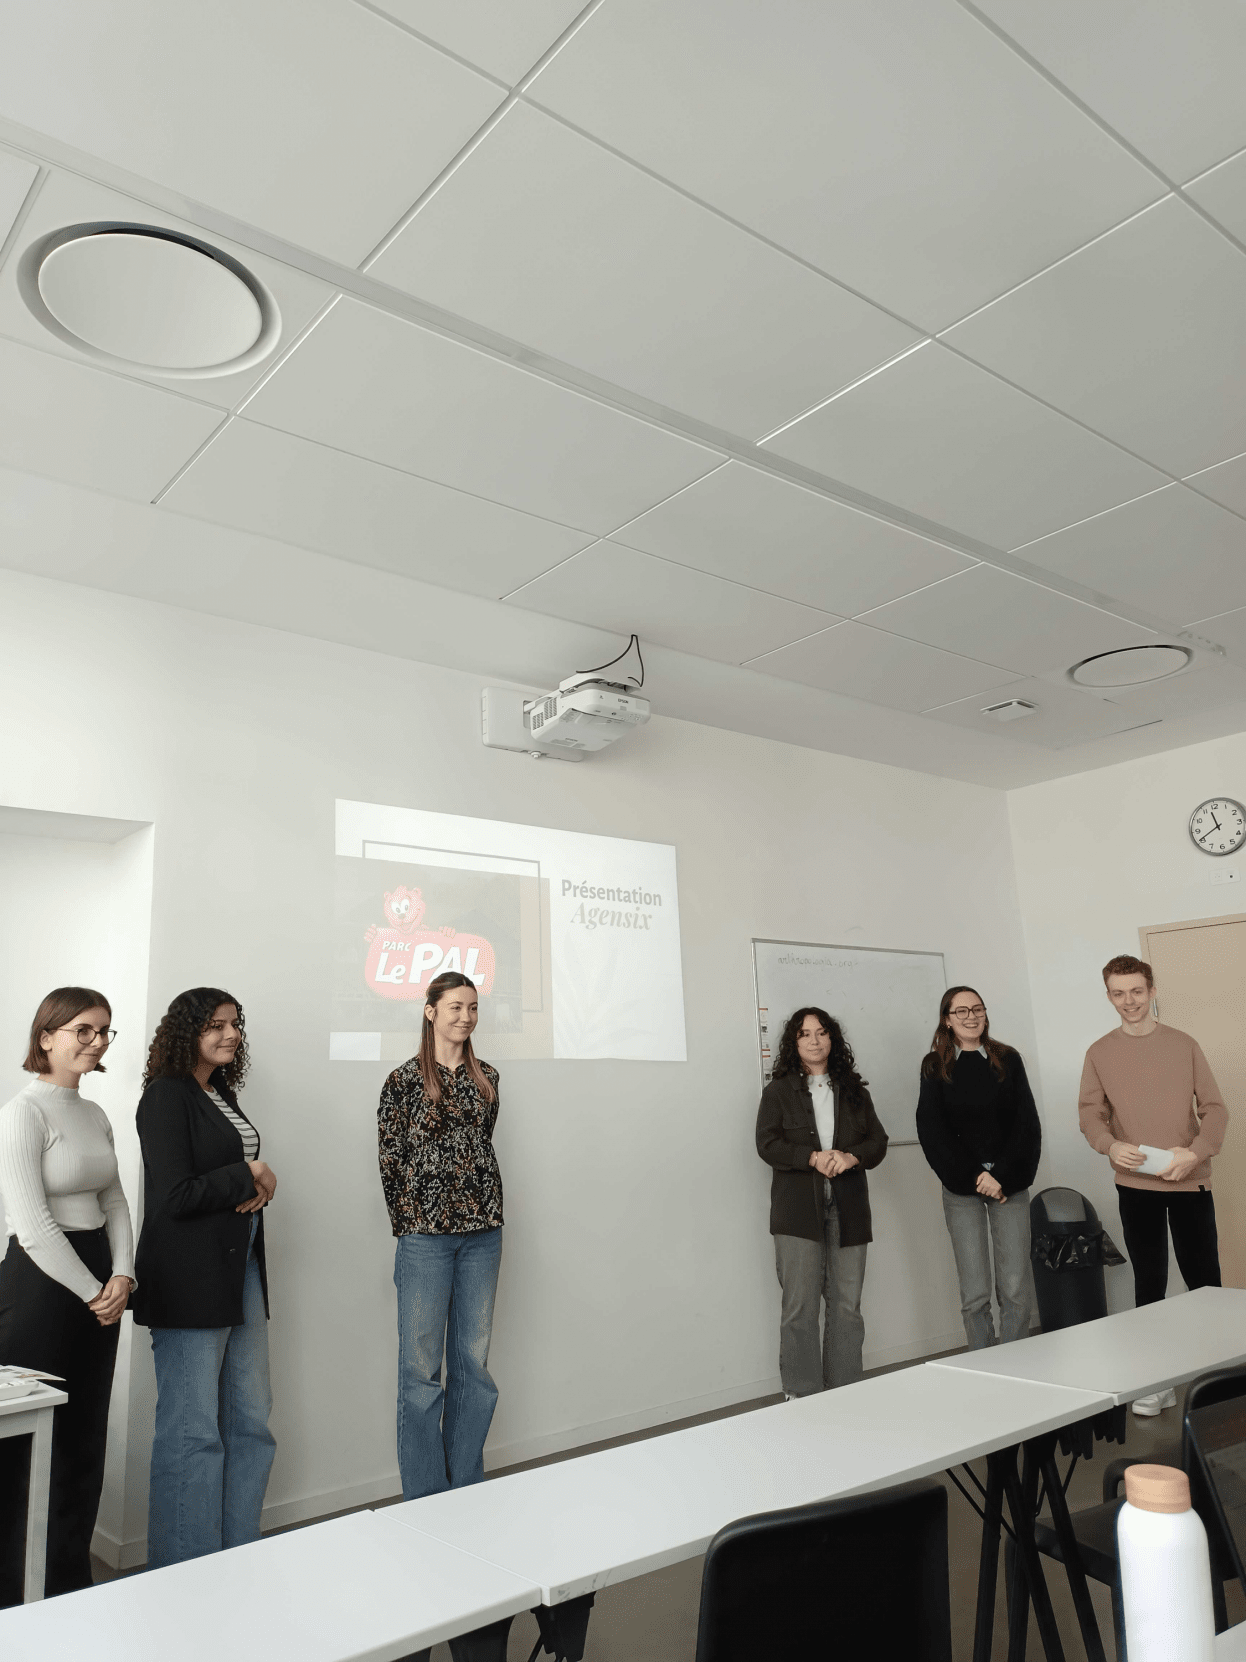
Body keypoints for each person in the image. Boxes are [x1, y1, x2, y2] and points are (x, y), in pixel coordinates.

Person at [131, 988, 277, 1566]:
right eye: (215, 1025)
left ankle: (236, 1556)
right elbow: (174, 1195)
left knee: (251, 1420)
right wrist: (250, 1172)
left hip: (240, 1268)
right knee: (193, 1432)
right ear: (186, 1031)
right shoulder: (165, 1096)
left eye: (235, 1024)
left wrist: (261, 1182)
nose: (230, 1034)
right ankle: (183, 1569)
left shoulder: (218, 1092)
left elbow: (232, 1179)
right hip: (188, 1279)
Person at [0, 987, 134, 1606]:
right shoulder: (23, 1112)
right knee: (30, 1442)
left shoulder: (95, 1112)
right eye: (84, 1029)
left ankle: (69, 1582)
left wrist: (123, 1275)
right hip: (41, 1287)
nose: (97, 1041)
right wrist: (93, 1292)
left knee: (84, 1434)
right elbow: (32, 1226)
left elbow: (115, 1200)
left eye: (104, 1031)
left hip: (100, 1280)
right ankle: (15, 1591)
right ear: (47, 1036)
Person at [1080, 953, 1227, 1417]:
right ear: (1108, 996)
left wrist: (1195, 1153)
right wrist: (1108, 1145)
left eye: (1137, 992)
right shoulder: (1099, 1053)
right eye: (1118, 994)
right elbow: (1090, 1114)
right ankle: (1157, 1382)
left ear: (1152, 991)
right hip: (1136, 1185)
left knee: (1205, 1285)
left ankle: (1219, 1384)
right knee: (1149, 1285)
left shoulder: (1184, 1045)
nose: (1129, 1001)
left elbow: (1215, 1109)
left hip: (1189, 1182)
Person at [378, 970, 503, 1500]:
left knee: (473, 1366)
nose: (466, 1017)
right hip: (425, 1240)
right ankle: (425, 1497)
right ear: (431, 1011)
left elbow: (481, 1145)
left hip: (483, 1235)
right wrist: (411, 1224)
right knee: (421, 1371)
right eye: (456, 1007)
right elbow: (390, 1160)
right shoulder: (403, 1081)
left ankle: (466, 1486)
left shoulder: (487, 1077)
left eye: (473, 1008)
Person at [755, 1007, 888, 1396]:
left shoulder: (855, 1092)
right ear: (793, 1043)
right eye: (804, 1034)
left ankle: (844, 1391)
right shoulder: (778, 1092)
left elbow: (877, 1143)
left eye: (821, 1032)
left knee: (847, 1306)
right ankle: (802, 1394)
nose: (814, 1040)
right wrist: (812, 1158)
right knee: (799, 1308)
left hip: (849, 1208)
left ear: (833, 1039)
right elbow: (767, 1144)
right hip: (797, 1211)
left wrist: (850, 1157)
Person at [916, 986, 1042, 1351]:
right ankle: (983, 1364)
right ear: (947, 1019)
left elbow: (1026, 1124)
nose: (971, 1017)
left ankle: (1015, 1362)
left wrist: (999, 1176)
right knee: (974, 1293)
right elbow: (933, 1131)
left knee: (1015, 1288)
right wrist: (975, 1177)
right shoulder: (934, 1065)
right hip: (962, 1189)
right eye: (961, 1011)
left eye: (977, 1009)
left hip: (1009, 1185)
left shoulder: (1008, 1059)